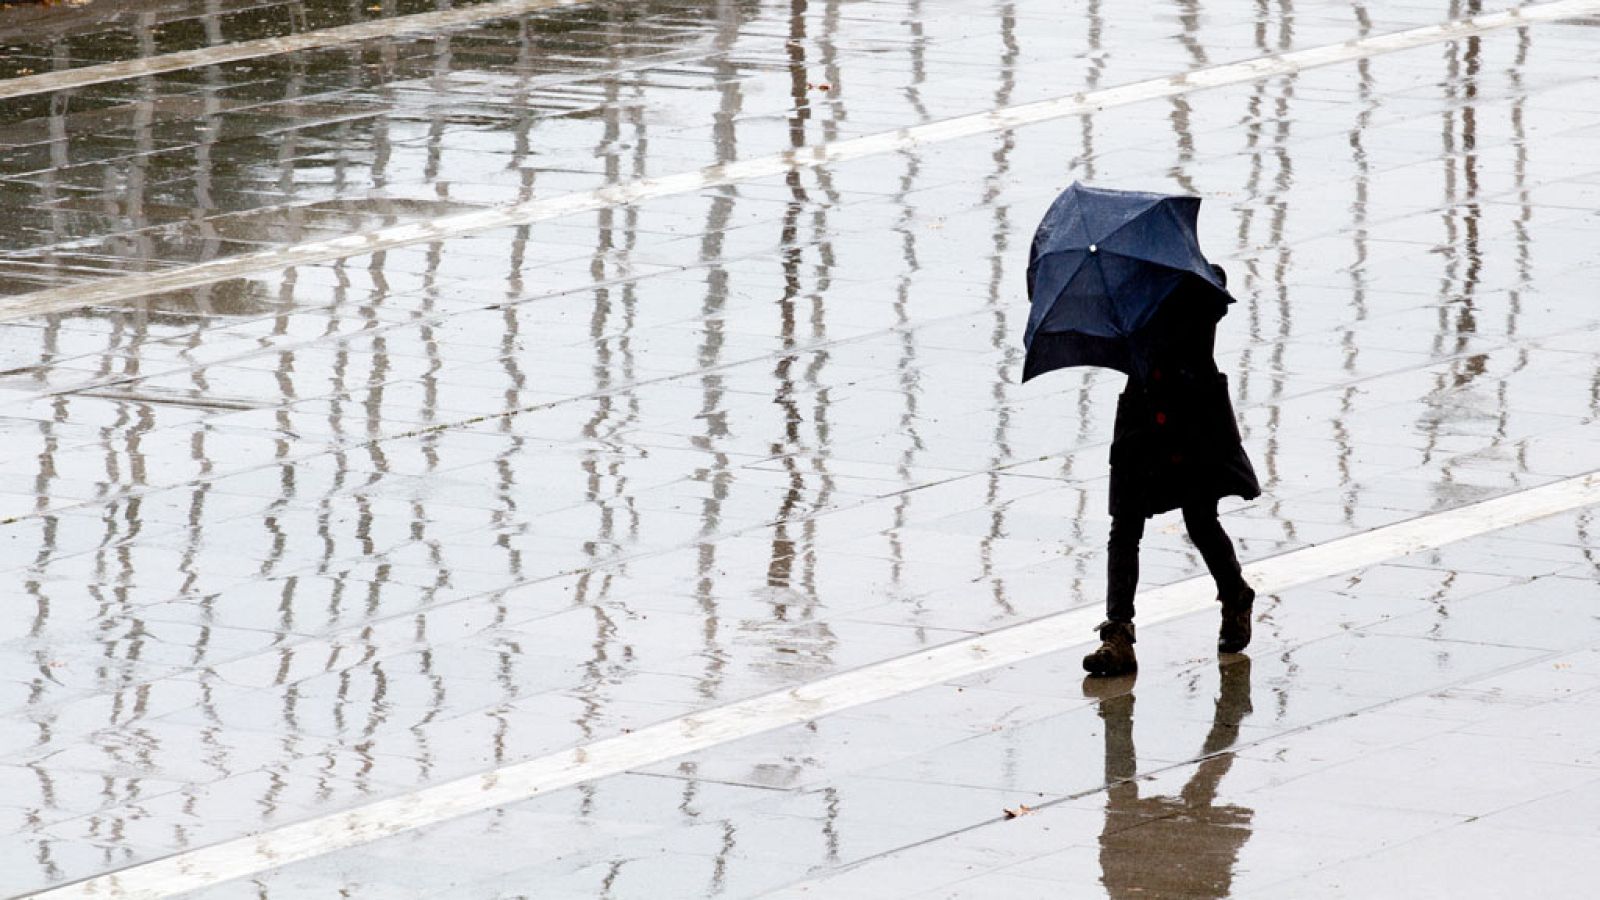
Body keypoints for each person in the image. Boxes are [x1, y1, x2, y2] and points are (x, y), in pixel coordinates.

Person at [1083, 265, 1260, 676]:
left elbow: (1214, 298)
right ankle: (1118, 634)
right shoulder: (1124, 289)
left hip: (1191, 415)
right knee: (1124, 525)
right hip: (1141, 415)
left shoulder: (1196, 284)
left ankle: (1235, 594)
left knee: (1200, 519)